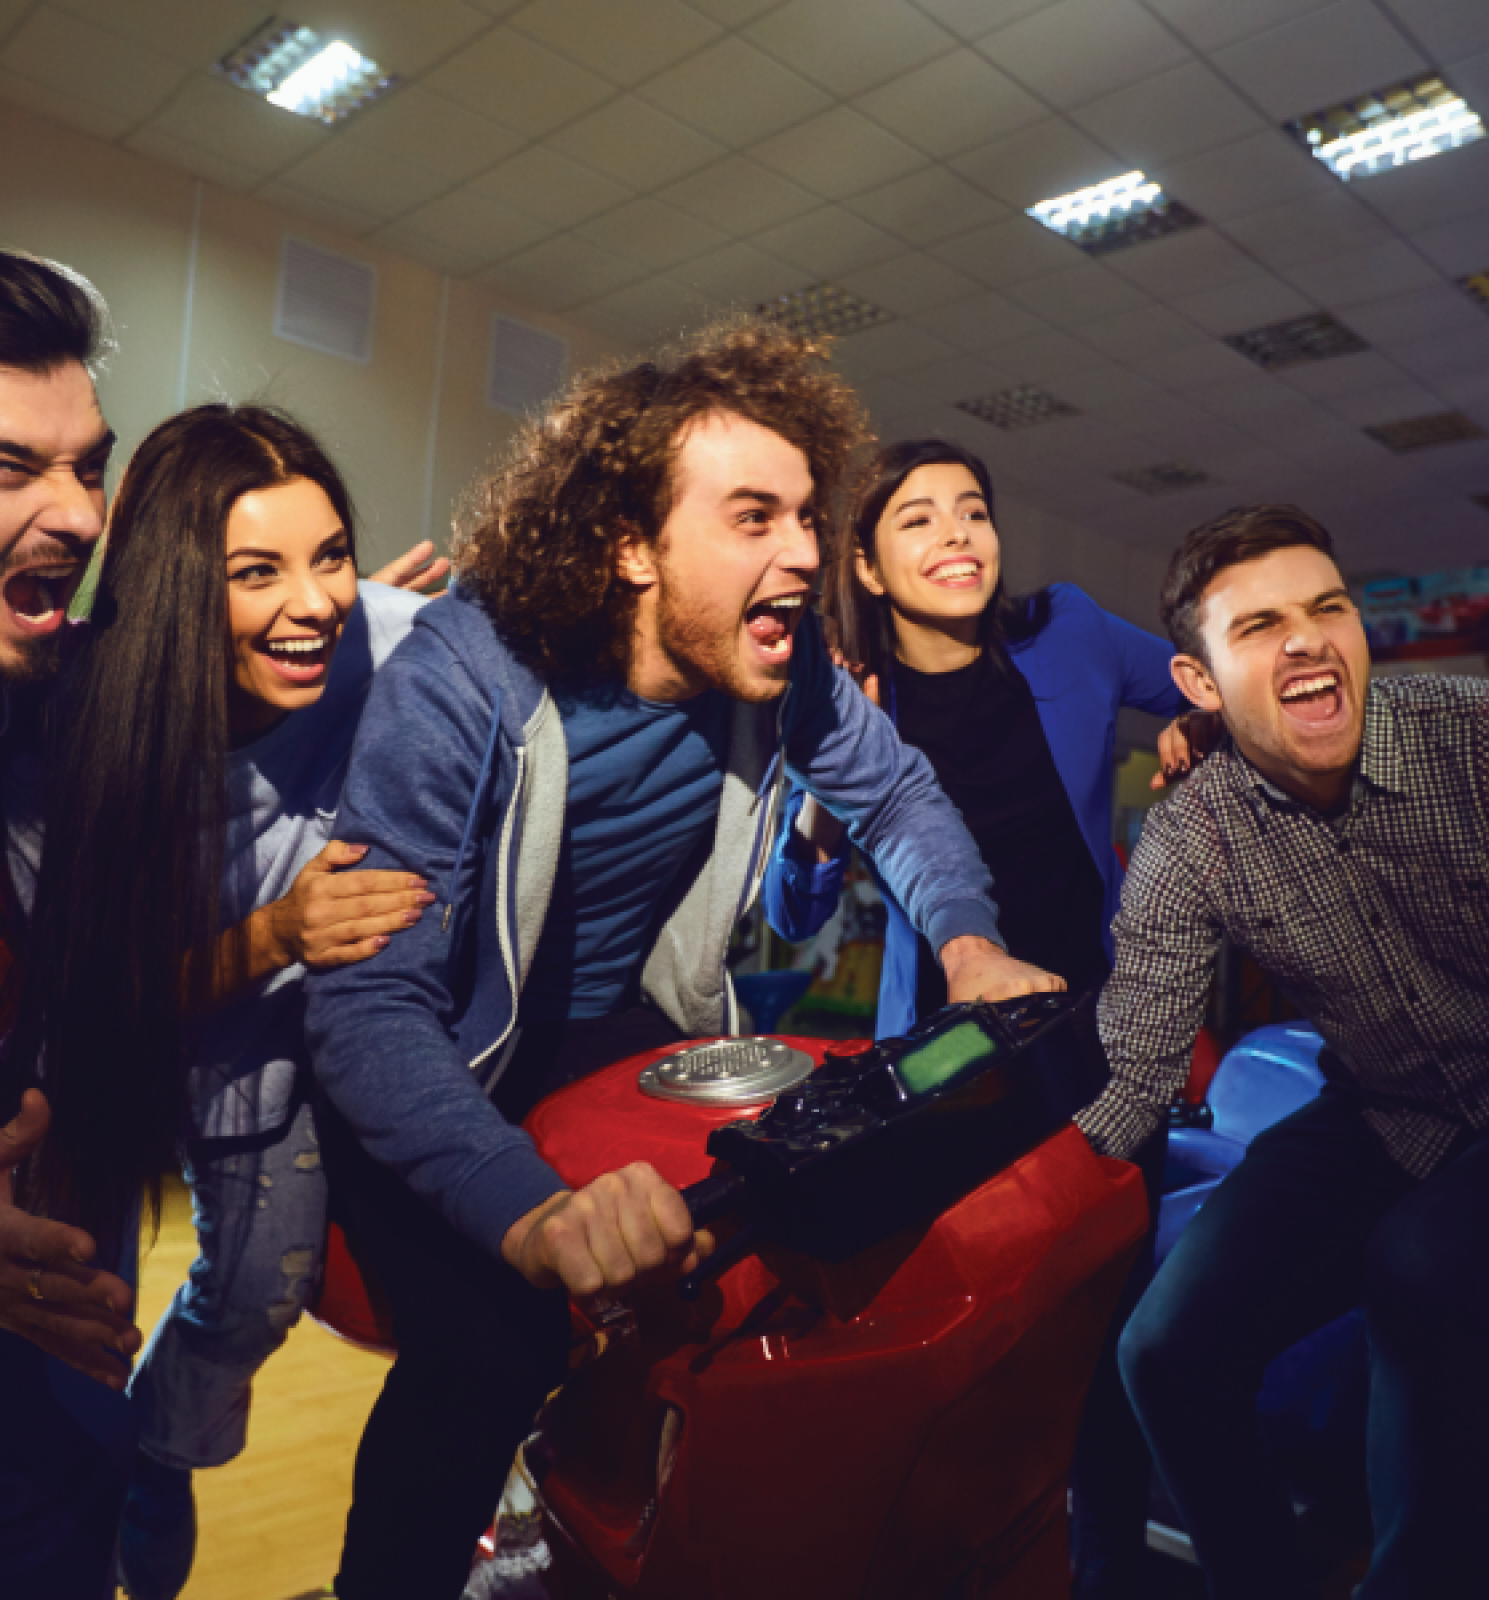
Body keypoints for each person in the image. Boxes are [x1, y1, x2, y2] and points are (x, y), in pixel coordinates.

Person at [305, 318, 1061, 1600]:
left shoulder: (779, 661)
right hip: (436, 1047)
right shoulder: (467, 671)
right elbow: (370, 1003)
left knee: (774, 1235)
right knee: (491, 1344)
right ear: (630, 546)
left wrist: (974, 951)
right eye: (755, 517)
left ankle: (595, 1520)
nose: (807, 555)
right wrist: (535, 1213)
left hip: (611, 1026)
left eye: (810, 517)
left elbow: (901, 802)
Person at [0, 403, 429, 1600]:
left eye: (330, 555)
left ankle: (169, 1440)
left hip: (278, 1051)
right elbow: (87, 998)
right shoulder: (74, 722)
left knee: (256, 1287)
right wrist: (273, 932)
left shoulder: (380, 636)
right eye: (258, 571)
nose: (315, 601)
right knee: (63, 1366)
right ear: (184, 587)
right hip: (111, 1057)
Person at [760, 437, 1195, 1599]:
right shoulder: (850, 703)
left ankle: (1098, 1568)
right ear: (865, 560)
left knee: (1109, 1329)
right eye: (918, 519)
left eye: (973, 511)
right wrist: (813, 810)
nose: (956, 534)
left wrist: (1192, 727)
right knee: (973, 1333)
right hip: (955, 1055)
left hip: (1106, 1032)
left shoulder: (1073, 633)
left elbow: (1210, 681)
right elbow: (791, 916)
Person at [1075, 505, 1489, 1599]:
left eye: (1327, 609)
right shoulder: (1193, 832)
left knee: (1424, 1265)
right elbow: (1138, 1069)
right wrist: (1021, 1189)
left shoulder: (1472, 736)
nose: (1306, 639)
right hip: (1384, 1106)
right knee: (1163, 1353)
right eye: (1259, 626)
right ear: (1199, 683)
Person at [0, 245, 147, 1600]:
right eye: (7, 469)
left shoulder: (40, 697)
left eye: (86, 467)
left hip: (44, 1353)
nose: (79, 514)